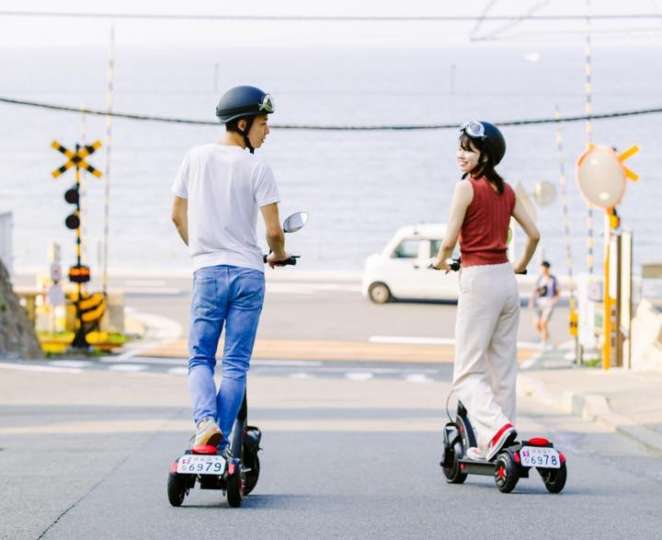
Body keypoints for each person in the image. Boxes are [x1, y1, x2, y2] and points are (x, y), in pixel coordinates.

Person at [171, 85, 290, 450]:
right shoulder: (258, 167)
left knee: (200, 358)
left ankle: (205, 424)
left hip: (207, 272)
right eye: (263, 123)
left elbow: (177, 216)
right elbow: (272, 231)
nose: (267, 130)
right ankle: (217, 445)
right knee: (235, 364)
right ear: (242, 123)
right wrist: (279, 255)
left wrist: (202, 251)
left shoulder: (194, 157)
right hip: (247, 274)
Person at [432, 120, 540, 461]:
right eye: (460, 147)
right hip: (506, 279)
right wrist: (521, 264)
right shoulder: (506, 190)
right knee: (503, 368)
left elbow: (450, 240)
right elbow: (534, 234)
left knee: (466, 373)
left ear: (485, 156)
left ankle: (496, 431)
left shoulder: (466, 188)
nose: (461, 155)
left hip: (479, 279)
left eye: (469, 149)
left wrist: (439, 261)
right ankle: (497, 443)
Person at [530, 260, 560, 348]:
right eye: (541, 269)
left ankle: (544, 342)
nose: (543, 271)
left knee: (543, 323)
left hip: (548, 304)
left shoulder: (553, 279)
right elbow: (535, 291)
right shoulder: (539, 279)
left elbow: (558, 292)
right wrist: (531, 301)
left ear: (548, 269)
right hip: (539, 304)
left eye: (544, 269)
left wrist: (555, 300)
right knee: (536, 324)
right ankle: (546, 336)